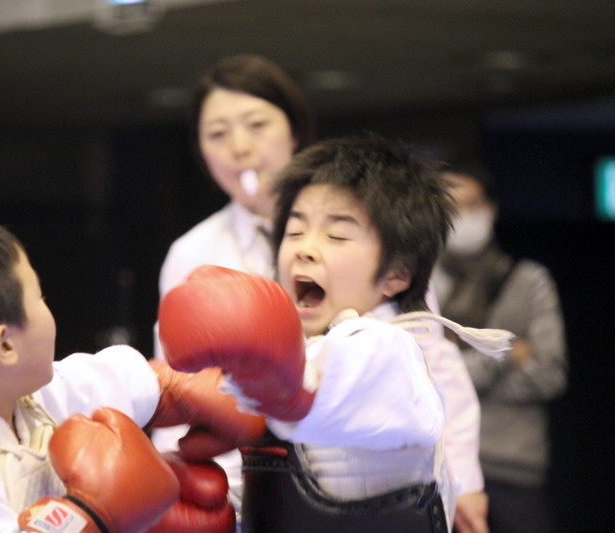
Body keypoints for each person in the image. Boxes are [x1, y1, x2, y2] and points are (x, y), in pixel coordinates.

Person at [153, 54, 488, 533]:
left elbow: (402, 371)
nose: (240, 148)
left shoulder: (384, 344)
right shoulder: (193, 252)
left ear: (294, 130)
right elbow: (188, 380)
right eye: (218, 134)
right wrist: (176, 453)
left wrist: (466, 477)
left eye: (336, 235)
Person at [0, 218, 263, 533]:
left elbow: (116, 380)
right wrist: (89, 514)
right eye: (38, 294)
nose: (47, 307)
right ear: (5, 345)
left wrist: (184, 390)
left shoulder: (11, 391)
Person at [432, 164, 568, 533]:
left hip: (514, 466)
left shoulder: (528, 281)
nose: (463, 217)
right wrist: (505, 352)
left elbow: (549, 375)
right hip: (439, 466)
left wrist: (459, 370)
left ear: (490, 208)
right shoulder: (422, 287)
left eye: (472, 205)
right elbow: (425, 381)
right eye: (451, 208)